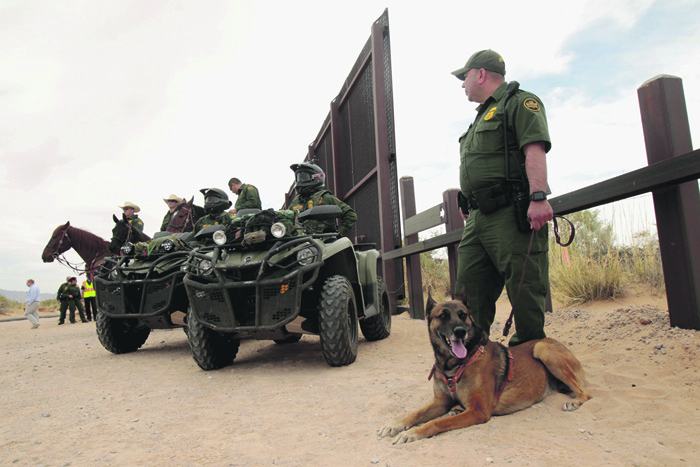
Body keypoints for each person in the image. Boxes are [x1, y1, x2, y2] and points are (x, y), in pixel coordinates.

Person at [452, 49, 553, 347]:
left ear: (480, 74)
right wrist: (469, 203)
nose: (462, 84)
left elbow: (533, 148)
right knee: (468, 290)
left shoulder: (519, 103)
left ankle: (529, 359)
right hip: (478, 219)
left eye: (465, 77)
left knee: (524, 288)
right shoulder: (480, 118)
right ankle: (473, 357)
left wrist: (538, 196)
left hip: (511, 211)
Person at [288, 162, 357, 236]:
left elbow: (351, 215)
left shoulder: (325, 198)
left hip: (323, 242)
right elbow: (286, 220)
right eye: (299, 178)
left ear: (316, 178)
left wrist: (340, 233)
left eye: (304, 177)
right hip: (298, 242)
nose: (300, 181)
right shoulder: (295, 202)